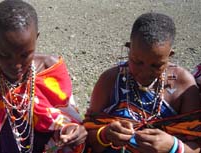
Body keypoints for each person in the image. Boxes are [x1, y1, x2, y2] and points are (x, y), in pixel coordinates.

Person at [0, 0, 87, 152]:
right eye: (4, 55)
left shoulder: (50, 71)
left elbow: (70, 122)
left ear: (36, 38)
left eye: (25, 55)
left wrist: (72, 131)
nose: (16, 65)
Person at [83, 12, 201, 153]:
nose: (145, 72)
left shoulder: (184, 85)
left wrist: (173, 147)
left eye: (156, 65)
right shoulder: (109, 80)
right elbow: (86, 137)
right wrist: (104, 135)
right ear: (128, 49)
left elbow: (195, 144)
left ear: (170, 56)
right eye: (137, 61)